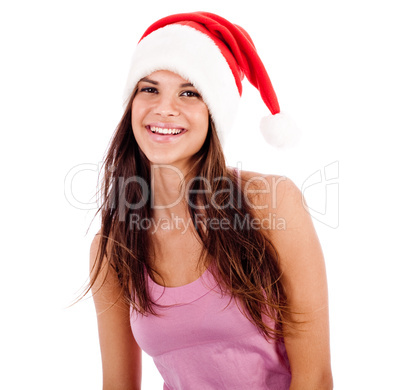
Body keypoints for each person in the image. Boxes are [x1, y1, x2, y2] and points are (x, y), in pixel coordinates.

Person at [88, 12, 333, 390]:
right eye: (149, 89)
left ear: (214, 112)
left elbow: (314, 378)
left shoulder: (272, 205)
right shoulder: (113, 246)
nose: (164, 109)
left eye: (190, 93)